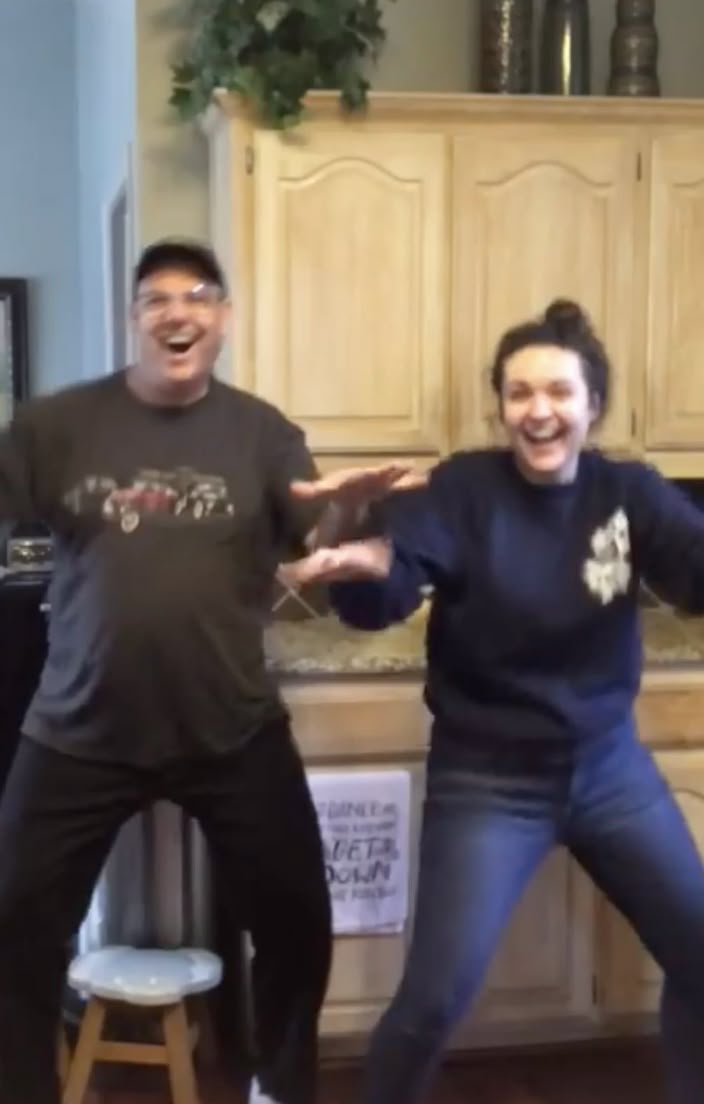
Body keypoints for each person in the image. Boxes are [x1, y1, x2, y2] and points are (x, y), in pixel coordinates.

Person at [0, 238, 414, 1104]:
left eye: (199, 296)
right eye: (157, 299)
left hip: (230, 727)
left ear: (223, 319)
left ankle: (276, 1089)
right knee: (18, 927)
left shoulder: (262, 433)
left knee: (296, 923)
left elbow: (313, 538)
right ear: (135, 320)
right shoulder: (61, 427)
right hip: (79, 729)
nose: (179, 313)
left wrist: (351, 510)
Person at [285, 300, 704, 1104]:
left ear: (593, 406)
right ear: (501, 405)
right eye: (519, 394)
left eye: (557, 392)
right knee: (434, 999)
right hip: (488, 783)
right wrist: (365, 554)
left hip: (609, 770)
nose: (538, 411)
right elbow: (391, 577)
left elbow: (694, 570)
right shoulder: (463, 490)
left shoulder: (628, 494)